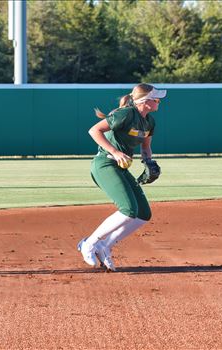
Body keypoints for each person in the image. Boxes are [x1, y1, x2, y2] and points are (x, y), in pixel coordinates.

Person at [77, 83, 166, 271]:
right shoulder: (126, 114)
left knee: (143, 213)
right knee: (128, 209)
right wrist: (115, 152)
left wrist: (148, 162)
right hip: (105, 164)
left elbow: (145, 146)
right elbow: (94, 130)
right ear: (145, 101)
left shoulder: (149, 121)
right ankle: (89, 243)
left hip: (121, 167)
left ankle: (105, 246)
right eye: (155, 98)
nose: (159, 101)